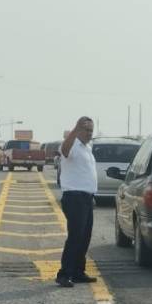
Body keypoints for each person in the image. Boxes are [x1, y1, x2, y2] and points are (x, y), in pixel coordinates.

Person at [55, 117, 98, 288]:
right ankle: (64, 274)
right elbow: (64, 150)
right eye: (86, 130)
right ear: (78, 130)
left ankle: (78, 272)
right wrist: (74, 129)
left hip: (86, 197)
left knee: (85, 237)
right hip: (74, 197)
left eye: (91, 130)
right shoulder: (71, 145)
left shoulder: (87, 148)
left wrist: (91, 195)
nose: (89, 133)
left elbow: (85, 173)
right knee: (75, 236)